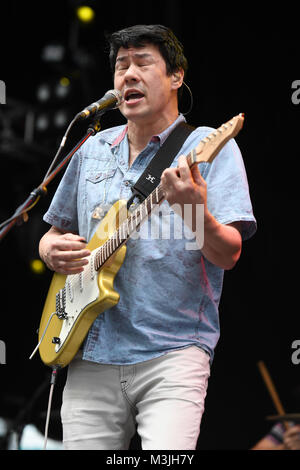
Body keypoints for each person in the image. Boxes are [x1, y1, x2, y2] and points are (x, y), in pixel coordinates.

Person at [38, 24, 257, 450]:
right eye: (122, 66)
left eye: (143, 63)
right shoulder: (92, 148)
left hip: (172, 351)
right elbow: (55, 231)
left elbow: (229, 253)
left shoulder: (210, 148)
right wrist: (48, 249)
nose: (129, 75)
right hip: (90, 351)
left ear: (176, 76)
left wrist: (192, 208)